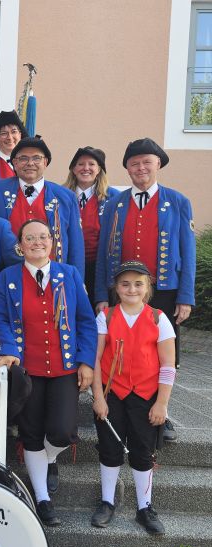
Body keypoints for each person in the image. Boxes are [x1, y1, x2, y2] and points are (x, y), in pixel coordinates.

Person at [0, 220, 97, 526]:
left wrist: (86, 361)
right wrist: (9, 348)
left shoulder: (70, 274)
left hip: (64, 367)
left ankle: (49, 459)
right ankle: (42, 499)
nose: (37, 242)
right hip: (28, 369)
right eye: (30, 238)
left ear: (52, 242)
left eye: (43, 237)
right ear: (20, 246)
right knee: (32, 434)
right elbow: (0, 319)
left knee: (63, 432)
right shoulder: (6, 278)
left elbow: (86, 321)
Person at [95, 138, 196, 442]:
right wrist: (101, 294)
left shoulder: (177, 201)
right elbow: (102, 253)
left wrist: (185, 296)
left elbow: (188, 251)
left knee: (163, 352)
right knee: (118, 349)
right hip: (122, 289)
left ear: (158, 165)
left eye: (146, 162)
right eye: (134, 163)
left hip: (163, 290)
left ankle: (161, 409)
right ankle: (118, 402)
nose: (141, 168)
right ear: (127, 168)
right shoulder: (114, 204)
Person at [91, 261, 175, 535]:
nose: (132, 289)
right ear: (116, 288)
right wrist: (98, 397)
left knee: (142, 450)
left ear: (147, 287)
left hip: (145, 395)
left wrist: (162, 403)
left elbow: (168, 365)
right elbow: (95, 360)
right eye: (125, 284)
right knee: (110, 448)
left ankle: (144, 507)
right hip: (111, 394)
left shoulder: (158, 318)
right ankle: (107, 502)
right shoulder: (106, 316)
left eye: (138, 284)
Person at [0, 136, 85, 277]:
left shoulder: (65, 197)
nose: (30, 163)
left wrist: (77, 281)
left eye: (36, 158)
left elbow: (76, 246)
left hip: (52, 277)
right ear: (14, 162)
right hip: (5, 277)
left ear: (45, 162)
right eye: (23, 158)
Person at [63, 147, 119, 304]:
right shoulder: (61, 195)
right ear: (73, 169)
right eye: (80, 164)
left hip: (100, 267)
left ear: (99, 169)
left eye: (91, 164)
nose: (86, 168)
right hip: (69, 263)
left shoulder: (113, 197)